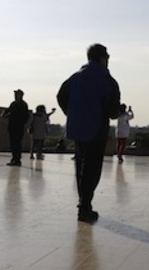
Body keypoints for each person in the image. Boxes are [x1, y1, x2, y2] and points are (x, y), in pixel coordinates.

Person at [57, 43, 120, 223]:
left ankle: (83, 204)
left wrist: (73, 113)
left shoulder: (75, 78)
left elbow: (61, 96)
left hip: (78, 128)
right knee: (92, 169)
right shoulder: (107, 80)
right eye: (107, 57)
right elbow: (113, 111)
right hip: (96, 129)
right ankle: (85, 206)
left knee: (81, 166)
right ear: (102, 58)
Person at [2, 89, 29, 166]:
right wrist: (5, 113)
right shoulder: (13, 103)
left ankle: (17, 159)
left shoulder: (23, 104)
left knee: (17, 143)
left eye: (16, 94)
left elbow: (24, 116)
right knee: (13, 143)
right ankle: (14, 158)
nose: (15, 96)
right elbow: (8, 110)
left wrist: (21, 122)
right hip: (12, 126)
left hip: (18, 126)